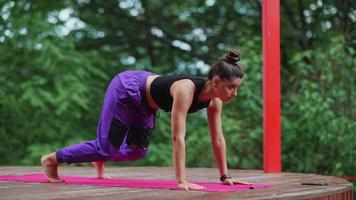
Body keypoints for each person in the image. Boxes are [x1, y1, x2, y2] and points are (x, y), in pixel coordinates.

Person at [41, 49, 251, 190]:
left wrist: (225, 177)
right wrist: (182, 180)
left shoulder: (215, 102)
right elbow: (178, 137)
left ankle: (100, 154)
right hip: (126, 89)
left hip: (146, 104)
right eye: (231, 87)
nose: (234, 93)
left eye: (236, 88)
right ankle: (52, 159)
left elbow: (218, 140)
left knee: (136, 151)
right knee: (107, 148)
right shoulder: (186, 90)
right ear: (215, 82)